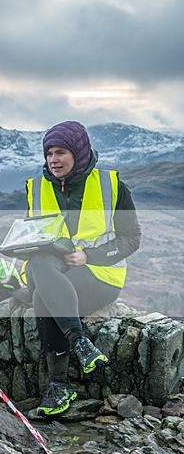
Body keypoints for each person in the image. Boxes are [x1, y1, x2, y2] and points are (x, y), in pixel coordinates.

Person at [23, 121, 141, 417]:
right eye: (49, 153)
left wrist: (90, 255)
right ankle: (80, 342)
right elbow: (34, 236)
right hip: (53, 271)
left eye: (61, 152)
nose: (53, 160)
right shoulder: (36, 187)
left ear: (79, 152)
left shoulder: (112, 185)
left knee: (41, 301)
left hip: (101, 275)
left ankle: (58, 385)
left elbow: (131, 238)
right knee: (38, 263)